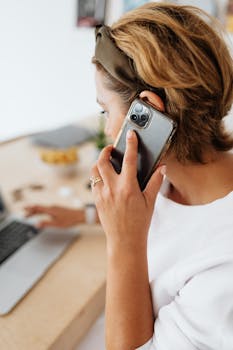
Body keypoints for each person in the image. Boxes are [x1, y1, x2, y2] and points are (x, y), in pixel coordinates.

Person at [26, 3, 233, 350]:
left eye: (106, 110)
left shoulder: (223, 267)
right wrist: (86, 215)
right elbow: (166, 220)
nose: (107, 130)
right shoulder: (172, 175)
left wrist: (123, 243)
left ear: (147, 112)